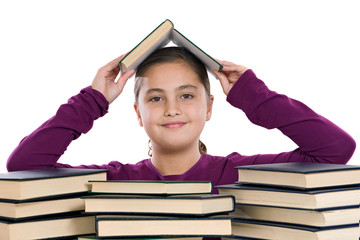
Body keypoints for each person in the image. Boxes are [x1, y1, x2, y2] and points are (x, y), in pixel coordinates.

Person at [7, 47, 356, 194]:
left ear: (208, 108)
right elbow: (24, 166)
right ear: (138, 114)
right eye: (156, 98)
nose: (172, 108)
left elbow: (335, 149)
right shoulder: (116, 179)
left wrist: (254, 96)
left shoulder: (237, 174)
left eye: (187, 95)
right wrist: (93, 100)